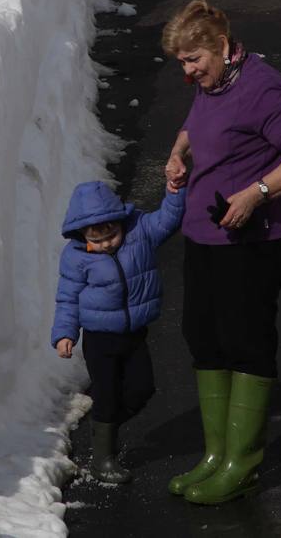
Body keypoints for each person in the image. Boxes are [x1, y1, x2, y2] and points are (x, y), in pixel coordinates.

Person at [160, 0, 281, 505]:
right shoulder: (214, 83)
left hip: (255, 239)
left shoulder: (260, 86)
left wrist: (257, 193)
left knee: (244, 339)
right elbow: (197, 122)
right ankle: (215, 455)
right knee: (202, 335)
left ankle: (243, 464)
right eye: (182, 63)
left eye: (194, 61)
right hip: (204, 233)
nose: (188, 73)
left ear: (222, 46)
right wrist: (177, 152)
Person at [51, 179, 186, 484]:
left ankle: (103, 426)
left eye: (112, 235)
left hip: (134, 333)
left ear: (120, 222)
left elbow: (168, 218)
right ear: (82, 234)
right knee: (107, 394)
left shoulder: (140, 232)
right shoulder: (75, 257)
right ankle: (102, 459)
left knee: (142, 389)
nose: (107, 244)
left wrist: (174, 192)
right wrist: (65, 333)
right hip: (100, 339)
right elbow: (67, 298)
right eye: (97, 241)